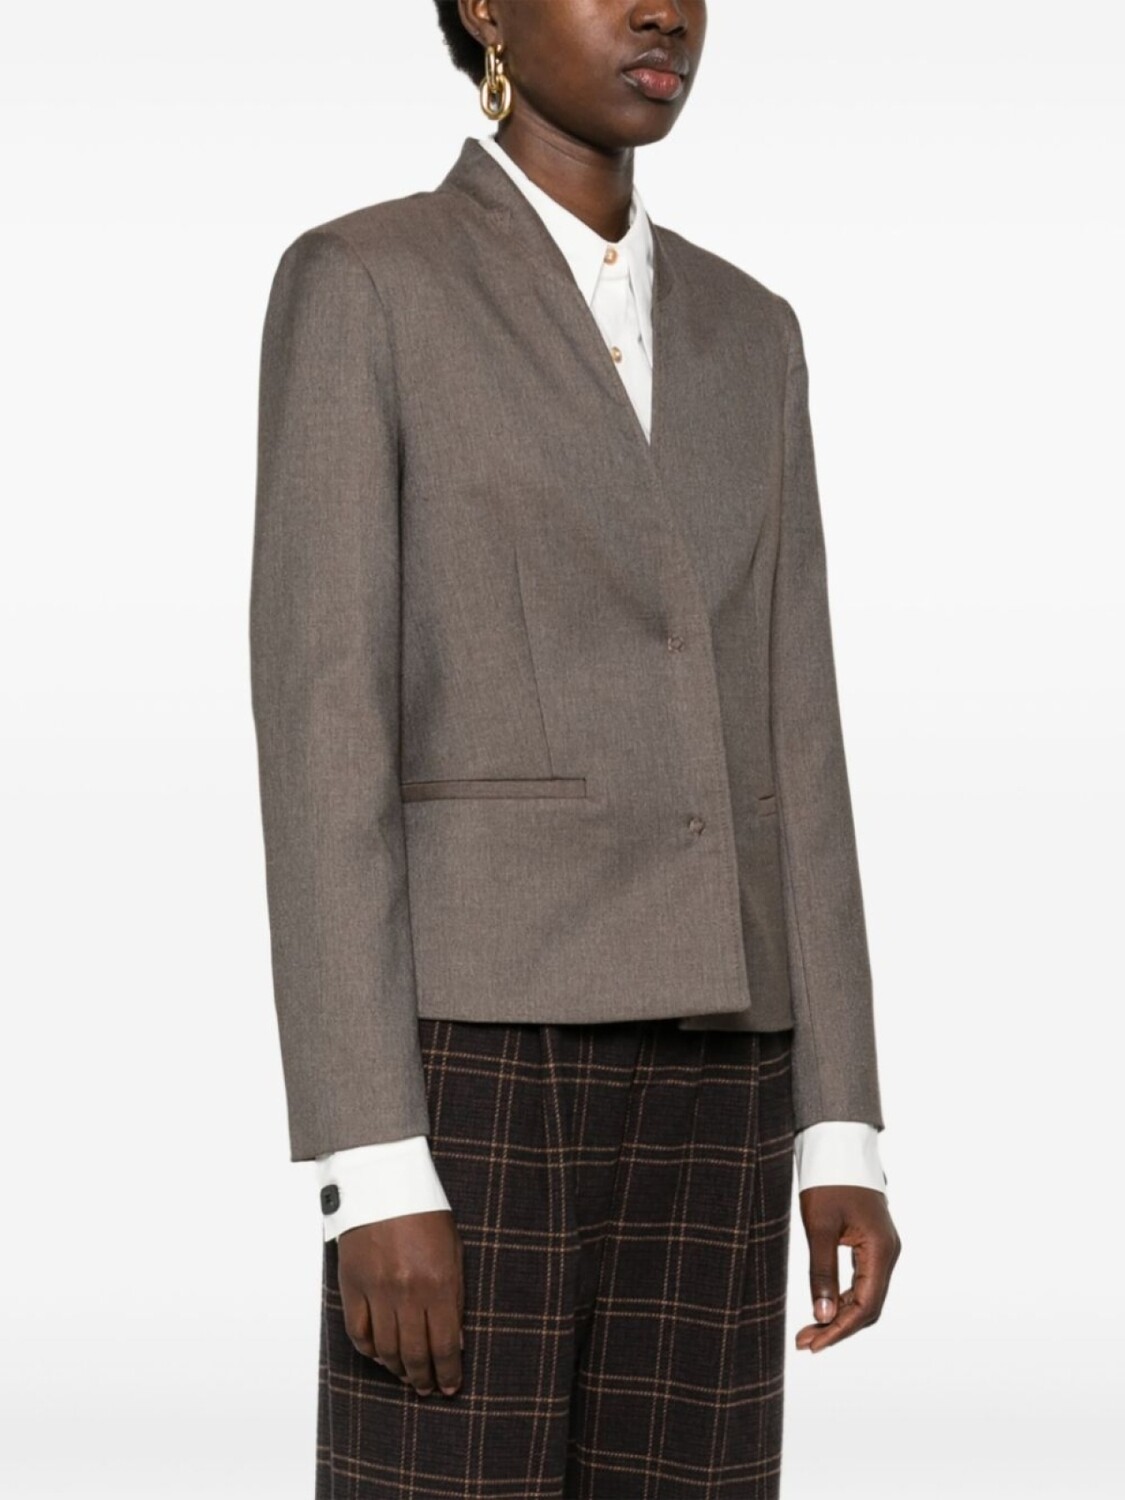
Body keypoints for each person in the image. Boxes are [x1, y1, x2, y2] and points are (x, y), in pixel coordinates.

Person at [249, 2, 902, 1495]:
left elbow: (799, 735)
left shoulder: (752, 330)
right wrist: (370, 1155)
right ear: (484, 7)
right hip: (479, 1059)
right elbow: (323, 733)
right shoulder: (369, 283)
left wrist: (841, 1124)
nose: (662, 11)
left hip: (729, 1066)